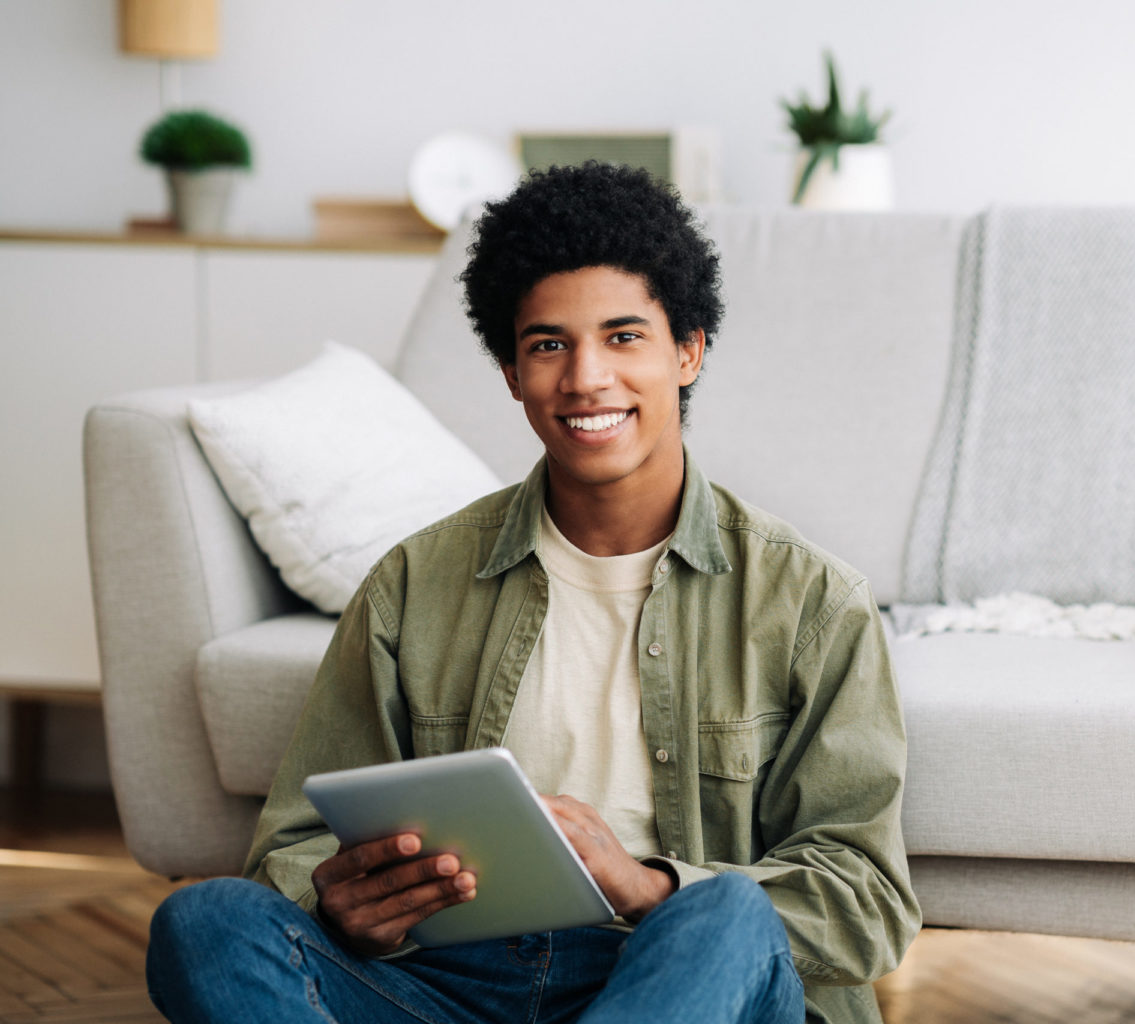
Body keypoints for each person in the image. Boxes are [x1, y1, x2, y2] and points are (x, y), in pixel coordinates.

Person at [145, 161, 920, 1024]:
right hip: (451, 982)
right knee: (208, 919)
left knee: (728, 913)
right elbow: (294, 847)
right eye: (549, 344)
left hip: (676, 977)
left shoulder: (811, 601)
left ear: (688, 350)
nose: (586, 378)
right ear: (513, 372)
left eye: (624, 337)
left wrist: (646, 886)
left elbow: (867, 899)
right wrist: (339, 904)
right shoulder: (414, 584)